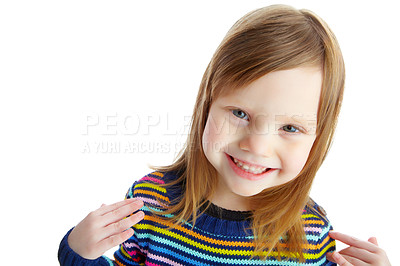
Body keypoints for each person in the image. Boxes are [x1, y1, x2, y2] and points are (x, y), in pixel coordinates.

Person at [58, 4, 391, 265]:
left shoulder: (311, 232)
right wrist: (78, 252)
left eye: (290, 128)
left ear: (318, 139)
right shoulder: (151, 204)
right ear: (208, 103)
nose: (257, 145)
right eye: (240, 114)